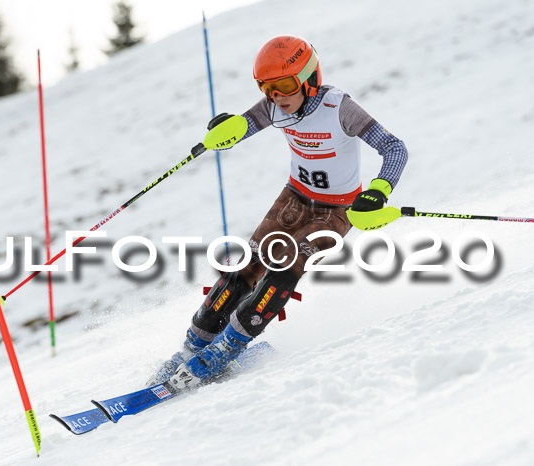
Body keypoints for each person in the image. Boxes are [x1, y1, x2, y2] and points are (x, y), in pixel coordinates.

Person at [149, 35, 408, 390]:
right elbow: (246, 125)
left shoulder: (339, 108)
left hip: (337, 210)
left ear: (309, 77)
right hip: (294, 197)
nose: (278, 97)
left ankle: (227, 349)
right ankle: (193, 347)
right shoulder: (274, 106)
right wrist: (227, 131)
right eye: (267, 88)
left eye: (285, 85)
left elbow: (395, 148)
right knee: (246, 267)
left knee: (286, 267)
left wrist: (379, 191)